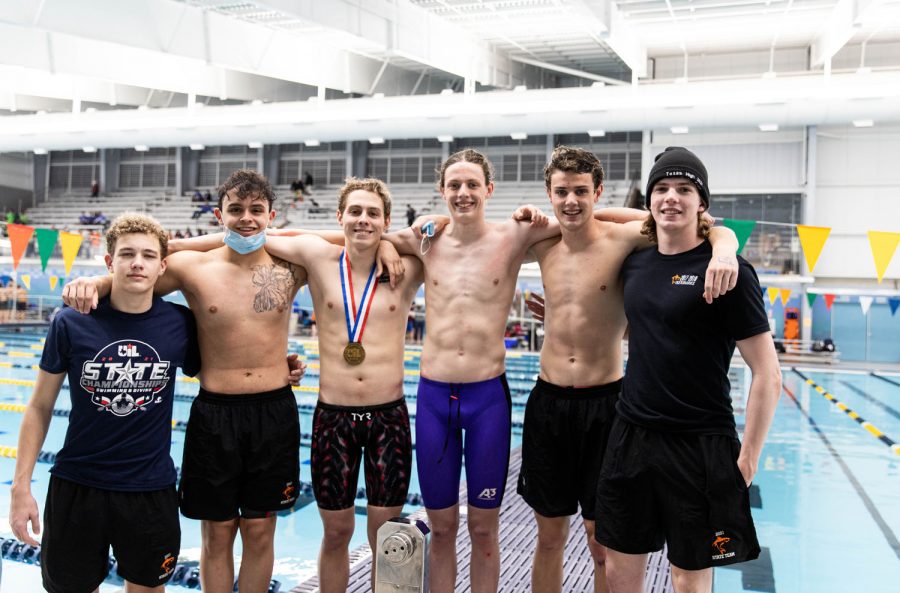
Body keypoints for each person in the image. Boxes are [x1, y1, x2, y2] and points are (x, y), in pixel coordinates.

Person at [385, 148, 644, 593]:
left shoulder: (518, 234)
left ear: (489, 190)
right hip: (433, 398)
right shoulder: (425, 239)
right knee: (442, 530)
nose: (463, 194)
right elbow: (366, 236)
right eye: (454, 186)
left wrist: (722, 243)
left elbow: (631, 219)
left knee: (486, 531)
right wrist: (392, 243)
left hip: (488, 398)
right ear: (441, 191)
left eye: (472, 185)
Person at [62, 169, 308, 593]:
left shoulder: (293, 263)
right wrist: (95, 281)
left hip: (275, 412)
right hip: (216, 414)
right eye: (235, 210)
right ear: (218, 214)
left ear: (272, 215)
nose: (246, 219)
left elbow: (355, 235)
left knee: (260, 532)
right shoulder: (193, 268)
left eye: (256, 211)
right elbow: (137, 277)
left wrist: (392, 250)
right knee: (217, 534)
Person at [516, 146, 739, 593]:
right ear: (549, 194)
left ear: (597, 192)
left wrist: (725, 250)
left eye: (582, 191)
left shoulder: (624, 238)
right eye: (561, 192)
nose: (571, 201)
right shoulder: (541, 244)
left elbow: (706, 223)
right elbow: (469, 236)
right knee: (548, 538)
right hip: (548, 400)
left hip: (607, 406)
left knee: (603, 541)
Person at [594, 147, 781, 593]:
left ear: (703, 204)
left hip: (700, 443)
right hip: (632, 437)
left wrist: (748, 460)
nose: (671, 198)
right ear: (649, 201)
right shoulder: (636, 263)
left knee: (688, 580)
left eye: (684, 189)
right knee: (618, 572)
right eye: (661, 188)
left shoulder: (729, 272)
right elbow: (647, 328)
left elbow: (767, 374)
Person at [9, 213, 201, 593]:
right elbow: (39, 406)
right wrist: (20, 487)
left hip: (149, 488)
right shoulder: (71, 321)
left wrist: (283, 369)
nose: (137, 263)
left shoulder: (181, 324)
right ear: (109, 262)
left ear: (163, 266)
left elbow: (222, 380)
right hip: (78, 485)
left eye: (148, 255)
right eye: (127, 254)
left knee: (147, 588)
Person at [263, 178, 424, 593]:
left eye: (373, 214)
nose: (363, 219)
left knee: (387, 537)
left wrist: (388, 243)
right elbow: (252, 235)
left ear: (387, 221)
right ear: (339, 217)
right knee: (335, 533)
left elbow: (443, 228)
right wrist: (171, 248)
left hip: (388, 416)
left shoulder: (407, 268)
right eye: (354, 211)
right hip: (333, 418)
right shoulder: (318, 257)